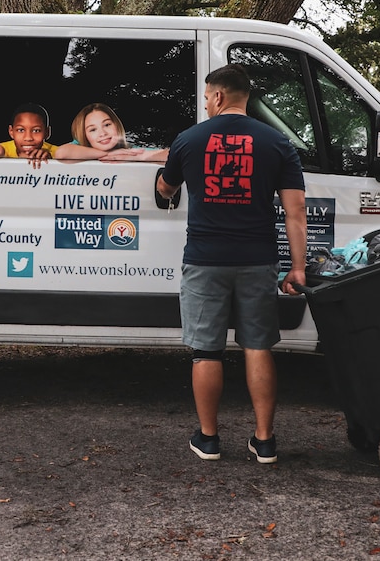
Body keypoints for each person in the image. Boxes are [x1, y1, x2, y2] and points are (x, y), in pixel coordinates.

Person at [156, 64, 307, 465]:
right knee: (258, 347)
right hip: (257, 260)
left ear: (219, 96)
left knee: (206, 352)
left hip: (205, 260)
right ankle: (264, 441)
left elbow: (166, 187)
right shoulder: (277, 143)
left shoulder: (189, 140)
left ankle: (208, 439)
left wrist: (164, 175)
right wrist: (298, 268)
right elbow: (296, 212)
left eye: (207, 97)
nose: (205, 103)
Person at [55, 102, 169, 163]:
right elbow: (61, 153)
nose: (102, 133)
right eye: (93, 129)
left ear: (116, 125)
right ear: (85, 135)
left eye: (107, 125)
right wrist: (110, 155)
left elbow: (172, 155)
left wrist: (134, 156)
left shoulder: (128, 150)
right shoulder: (78, 147)